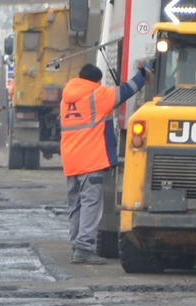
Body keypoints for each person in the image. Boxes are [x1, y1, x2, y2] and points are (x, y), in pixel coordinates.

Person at [60, 59, 150, 265]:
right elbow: (127, 90)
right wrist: (143, 73)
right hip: (90, 159)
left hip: (71, 159)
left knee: (76, 205)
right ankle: (84, 248)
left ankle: (76, 246)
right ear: (95, 81)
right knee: (91, 203)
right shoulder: (96, 95)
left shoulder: (67, 97)